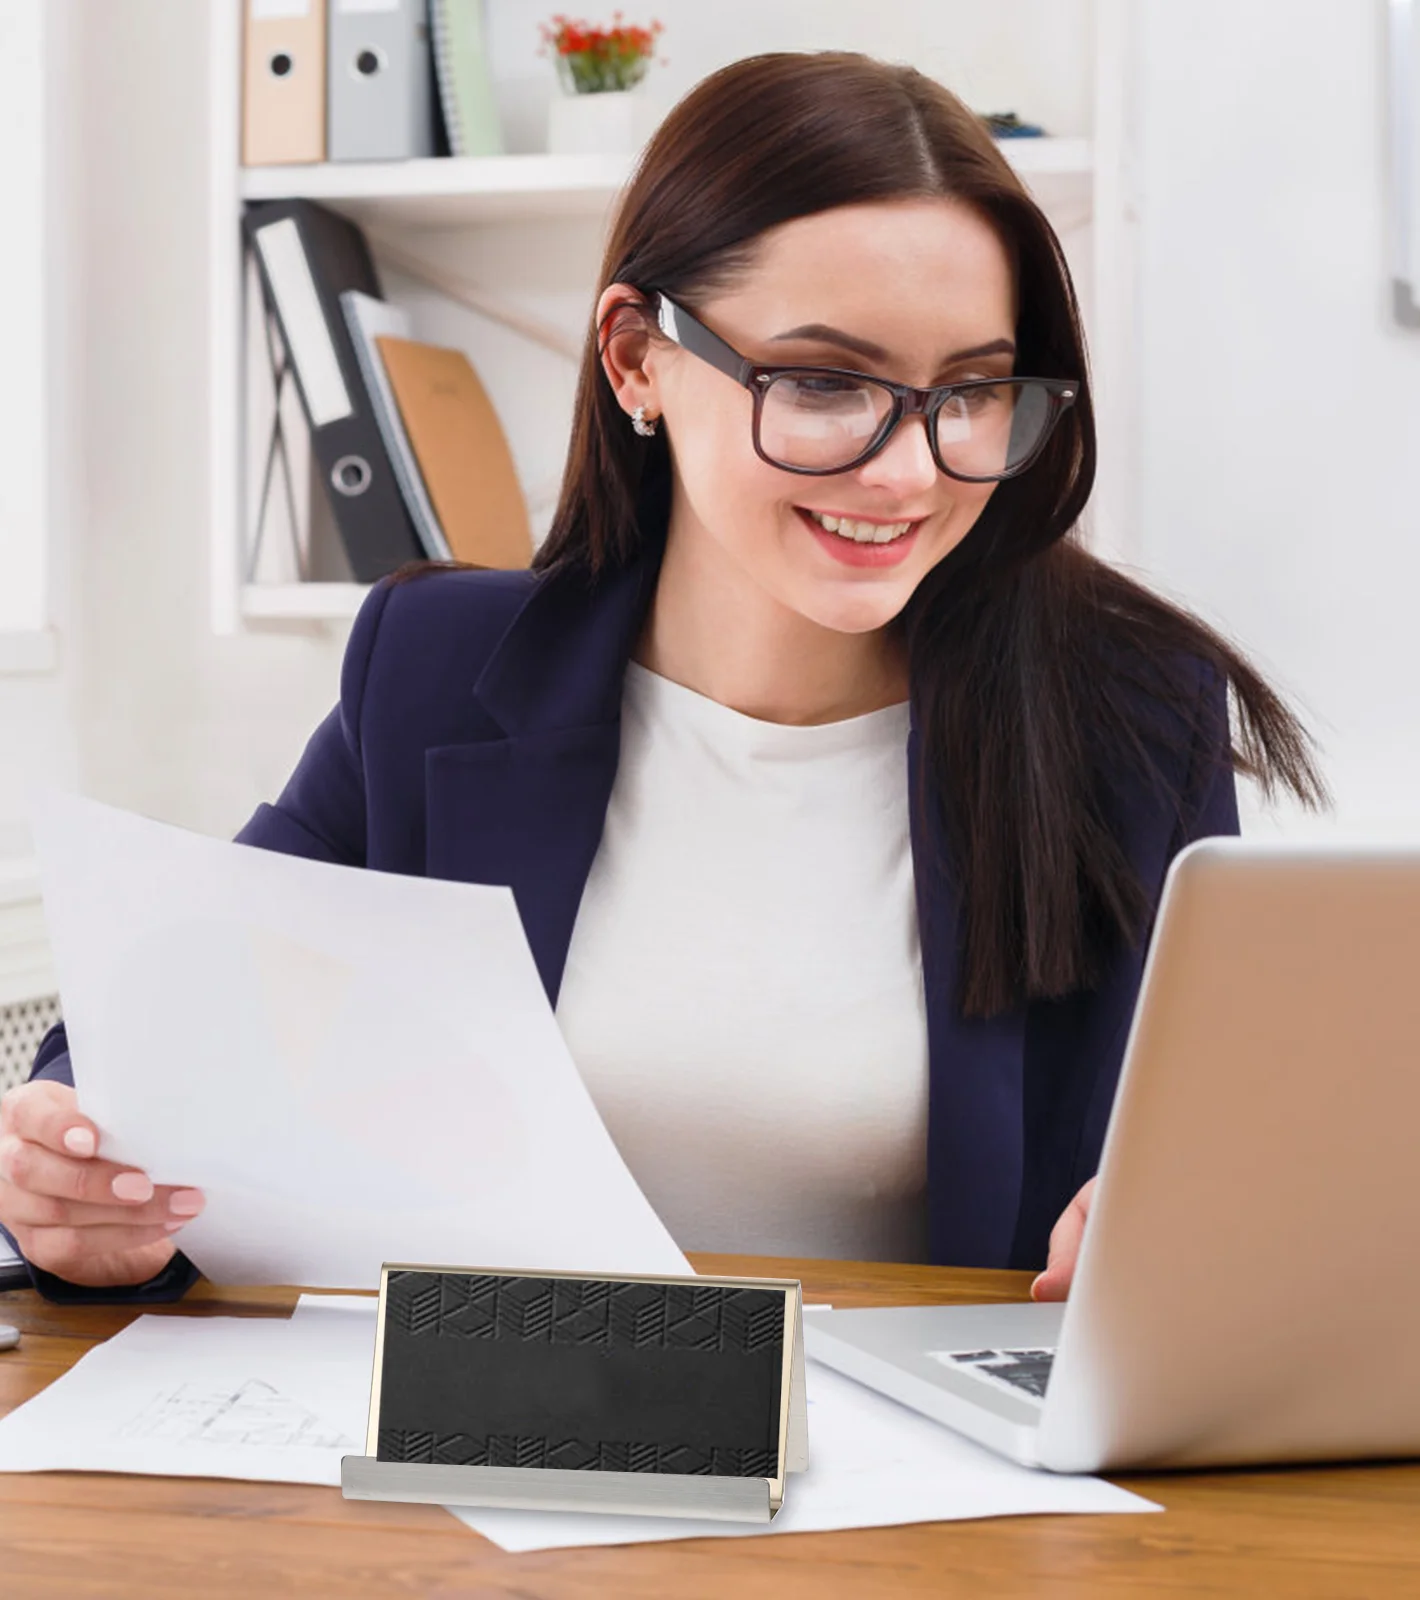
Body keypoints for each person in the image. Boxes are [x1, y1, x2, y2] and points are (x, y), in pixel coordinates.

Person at [0, 51, 1322, 1306]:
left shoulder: (1127, 718)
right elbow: (155, 1056)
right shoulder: (441, 672)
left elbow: (1211, 1171)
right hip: (498, 1479)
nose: (910, 472)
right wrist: (70, 1182)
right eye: (823, 382)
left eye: (969, 394)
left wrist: (1181, 1236)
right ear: (638, 356)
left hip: (923, 1517)